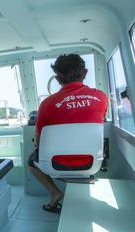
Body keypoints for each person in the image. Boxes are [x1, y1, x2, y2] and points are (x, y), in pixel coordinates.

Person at [28, 54, 108, 213]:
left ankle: (54, 192)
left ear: (57, 79)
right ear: (84, 73)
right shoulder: (101, 97)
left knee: (31, 162)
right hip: (91, 162)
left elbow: (39, 140)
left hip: (54, 164)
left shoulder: (46, 104)